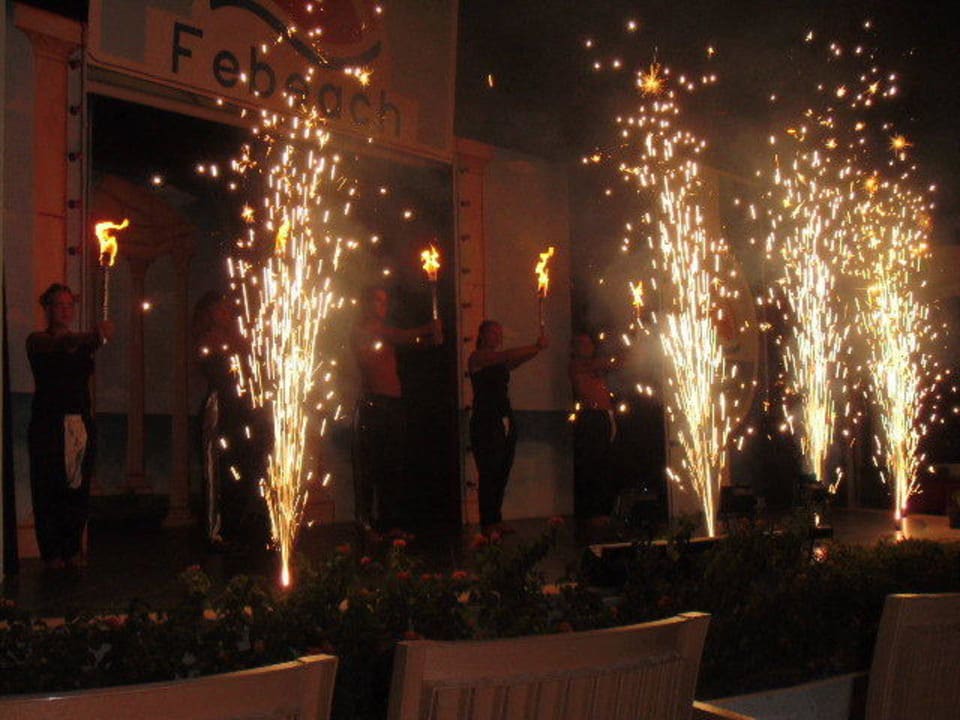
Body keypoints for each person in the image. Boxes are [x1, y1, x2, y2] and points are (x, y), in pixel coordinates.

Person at [26, 283, 114, 570]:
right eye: (59, 305)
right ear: (48, 309)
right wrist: (95, 335)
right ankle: (52, 553)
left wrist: (100, 336)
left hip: (79, 422)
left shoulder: (82, 345)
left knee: (77, 490)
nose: (65, 310)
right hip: (48, 424)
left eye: (69, 305)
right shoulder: (37, 341)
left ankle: (73, 549)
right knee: (48, 488)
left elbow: (85, 346)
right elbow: (64, 344)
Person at [351, 286, 441, 532]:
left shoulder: (385, 332)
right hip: (374, 405)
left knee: (392, 466)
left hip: (392, 405)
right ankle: (366, 526)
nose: (382, 306)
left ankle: (389, 524)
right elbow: (400, 336)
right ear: (366, 303)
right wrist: (428, 328)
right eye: (377, 300)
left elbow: (409, 341)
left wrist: (431, 340)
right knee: (370, 468)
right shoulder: (364, 329)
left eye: (385, 301)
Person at [192, 290, 270, 550]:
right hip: (220, 411)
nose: (228, 311)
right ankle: (215, 532)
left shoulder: (236, 336)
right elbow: (220, 365)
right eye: (222, 308)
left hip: (241, 412)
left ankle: (238, 527)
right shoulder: (209, 338)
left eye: (228, 307)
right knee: (218, 472)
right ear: (211, 313)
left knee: (242, 470)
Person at [468, 320, 547, 535]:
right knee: (489, 470)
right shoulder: (477, 357)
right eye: (493, 333)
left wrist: (537, 349)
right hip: (486, 419)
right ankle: (488, 523)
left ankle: (496, 518)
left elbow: (516, 360)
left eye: (499, 333)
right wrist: (535, 346)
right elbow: (506, 356)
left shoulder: (500, 362)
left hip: (504, 417)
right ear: (482, 335)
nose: (497, 337)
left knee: (502, 469)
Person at [568, 333, 621, 531]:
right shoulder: (576, 365)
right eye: (582, 343)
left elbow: (618, 364)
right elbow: (613, 363)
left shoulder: (596, 366)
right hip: (591, 417)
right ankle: (592, 514)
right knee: (593, 464)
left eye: (589, 343)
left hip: (606, 416)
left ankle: (603, 512)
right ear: (574, 348)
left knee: (605, 464)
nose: (587, 346)